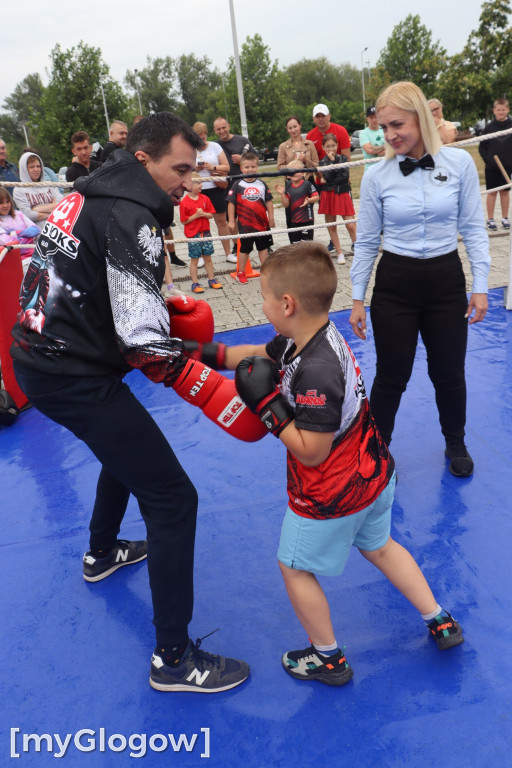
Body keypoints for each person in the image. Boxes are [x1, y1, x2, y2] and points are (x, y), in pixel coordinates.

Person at [11, 112, 250, 693]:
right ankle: (174, 658)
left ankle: (101, 552)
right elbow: (144, 346)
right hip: (74, 372)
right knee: (172, 497)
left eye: (194, 170)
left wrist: (156, 302)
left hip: (40, 357)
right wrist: (220, 364)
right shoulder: (134, 213)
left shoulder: (87, 192)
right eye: (180, 169)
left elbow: (97, 286)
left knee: (124, 445)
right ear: (143, 160)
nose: (187, 183)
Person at [210, 242, 464, 686]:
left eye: (264, 298)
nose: (262, 305)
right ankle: (439, 618)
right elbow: (257, 355)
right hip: (374, 478)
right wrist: (198, 353)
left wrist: (268, 406)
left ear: (286, 304)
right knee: (381, 547)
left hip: (332, 493)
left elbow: (312, 450)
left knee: (294, 566)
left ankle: (328, 658)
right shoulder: (308, 336)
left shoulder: (318, 371)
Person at [349, 81, 490, 477]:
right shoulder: (377, 176)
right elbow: (366, 243)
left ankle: (455, 440)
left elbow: (475, 229)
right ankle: (376, 446)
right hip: (396, 282)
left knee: (449, 371)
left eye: (398, 125)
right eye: (384, 127)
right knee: (392, 374)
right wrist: (357, 298)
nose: (390, 135)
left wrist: (480, 285)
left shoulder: (460, 164)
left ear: (421, 119)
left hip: (446, 279)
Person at [307, 104, 353, 253]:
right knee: (330, 218)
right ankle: (334, 244)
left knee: (349, 219)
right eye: (318, 116)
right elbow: (314, 162)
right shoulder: (310, 136)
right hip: (323, 181)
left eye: (323, 116)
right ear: (314, 119)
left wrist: (340, 177)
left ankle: (356, 243)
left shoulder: (340, 131)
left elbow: (347, 158)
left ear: (329, 116)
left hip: (341, 180)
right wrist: (323, 177)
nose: (321, 119)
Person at [226, 151, 275, 283]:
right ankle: (241, 273)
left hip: (262, 224)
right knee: (244, 249)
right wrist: (231, 221)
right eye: (247, 167)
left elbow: (269, 201)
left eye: (253, 167)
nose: (250, 170)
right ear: (241, 168)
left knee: (263, 248)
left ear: (257, 167)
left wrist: (271, 218)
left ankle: (265, 271)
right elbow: (231, 203)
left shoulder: (262, 184)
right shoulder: (238, 184)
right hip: (245, 225)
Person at [213, 117, 256, 263]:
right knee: (231, 219)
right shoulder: (215, 146)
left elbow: (256, 158)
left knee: (251, 214)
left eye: (224, 127)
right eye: (218, 129)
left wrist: (242, 159)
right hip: (226, 186)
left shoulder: (242, 141)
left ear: (229, 126)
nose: (222, 131)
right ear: (215, 131)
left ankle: (262, 241)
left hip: (246, 185)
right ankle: (236, 245)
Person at [192, 122, 232, 261]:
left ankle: (228, 253)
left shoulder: (215, 146)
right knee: (199, 223)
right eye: (198, 139)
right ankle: (202, 256)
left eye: (202, 138)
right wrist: (195, 169)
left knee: (221, 221)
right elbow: (184, 169)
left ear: (206, 135)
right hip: (198, 190)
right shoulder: (190, 149)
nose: (201, 142)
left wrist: (213, 167)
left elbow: (227, 167)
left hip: (216, 188)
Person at [180, 173, 223, 293]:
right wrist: (195, 216)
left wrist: (203, 214)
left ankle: (212, 279)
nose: (201, 185)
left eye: (201, 182)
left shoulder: (205, 199)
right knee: (194, 260)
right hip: (193, 235)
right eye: (198, 182)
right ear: (189, 185)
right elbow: (184, 221)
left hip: (206, 233)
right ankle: (195, 283)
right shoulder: (184, 202)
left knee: (208, 258)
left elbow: (211, 214)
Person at [318, 134, 357, 264]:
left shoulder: (343, 158)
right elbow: (326, 177)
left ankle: (358, 247)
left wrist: (333, 163)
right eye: (328, 146)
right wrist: (330, 175)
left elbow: (344, 177)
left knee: (350, 224)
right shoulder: (322, 162)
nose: (331, 149)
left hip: (343, 192)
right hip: (329, 194)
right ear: (323, 147)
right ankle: (339, 252)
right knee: (331, 225)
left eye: (333, 145)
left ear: (337, 146)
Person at [478, 97, 512, 231]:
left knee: (505, 192)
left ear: (508, 109)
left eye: (503, 109)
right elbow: (482, 147)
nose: (501, 112)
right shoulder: (489, 128)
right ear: (494, 111)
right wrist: (488, 160)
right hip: (492, 167)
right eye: (498, 110)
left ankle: (505, 218)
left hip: (507, 166)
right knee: (492, 192)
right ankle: (490, 219)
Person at [13, 151, 62, 231]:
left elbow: (61, 205)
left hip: (57, 228)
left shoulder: (49, 184)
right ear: (24, 169)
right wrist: (52, 209)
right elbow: (28, 215)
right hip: (37, 234)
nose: (36, 170)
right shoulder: (19, 189)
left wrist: (37, 209)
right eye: (31, 167)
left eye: (38, 166)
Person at [275, 161, 319, 243]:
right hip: (294, 221)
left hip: (307, 220)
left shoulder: (307, 184)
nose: (294, 173)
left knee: (306, 245)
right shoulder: (288, 186)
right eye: (291, 171)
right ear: (288, 175)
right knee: (295, 245)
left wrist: (309, 200)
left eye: (297, 171)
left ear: (303, 173)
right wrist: (282, 194)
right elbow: (286, 204)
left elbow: (316, 196)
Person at [0, 187, 39, 257]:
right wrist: (28, 238)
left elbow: (36, 230)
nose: (5, 205)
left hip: (33, 255)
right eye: (1, 203)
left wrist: (15, 233)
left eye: (7, 202)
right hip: (13, 259)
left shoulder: (18, 214)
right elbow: (7, 242)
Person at [359, 106, 385, 172]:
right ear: (367, 119)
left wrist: (377, 149)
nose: (374, 120)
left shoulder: (385, 130)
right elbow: (370, 150)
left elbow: (393, 148)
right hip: (371, 170)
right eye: (371, 117)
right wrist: (385, 146)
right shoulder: (363, 133)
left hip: (386, 168)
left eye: (376, 117)